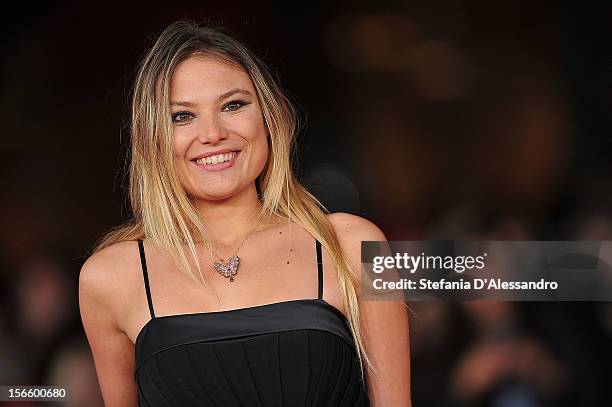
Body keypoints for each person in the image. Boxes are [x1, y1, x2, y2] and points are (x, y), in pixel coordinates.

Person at [78, 20, 411, 407]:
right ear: (152, 139)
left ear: (268, 118)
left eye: (233, 105)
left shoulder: (353, 246)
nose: (213, 133)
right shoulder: (110, 279)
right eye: (182, 116)